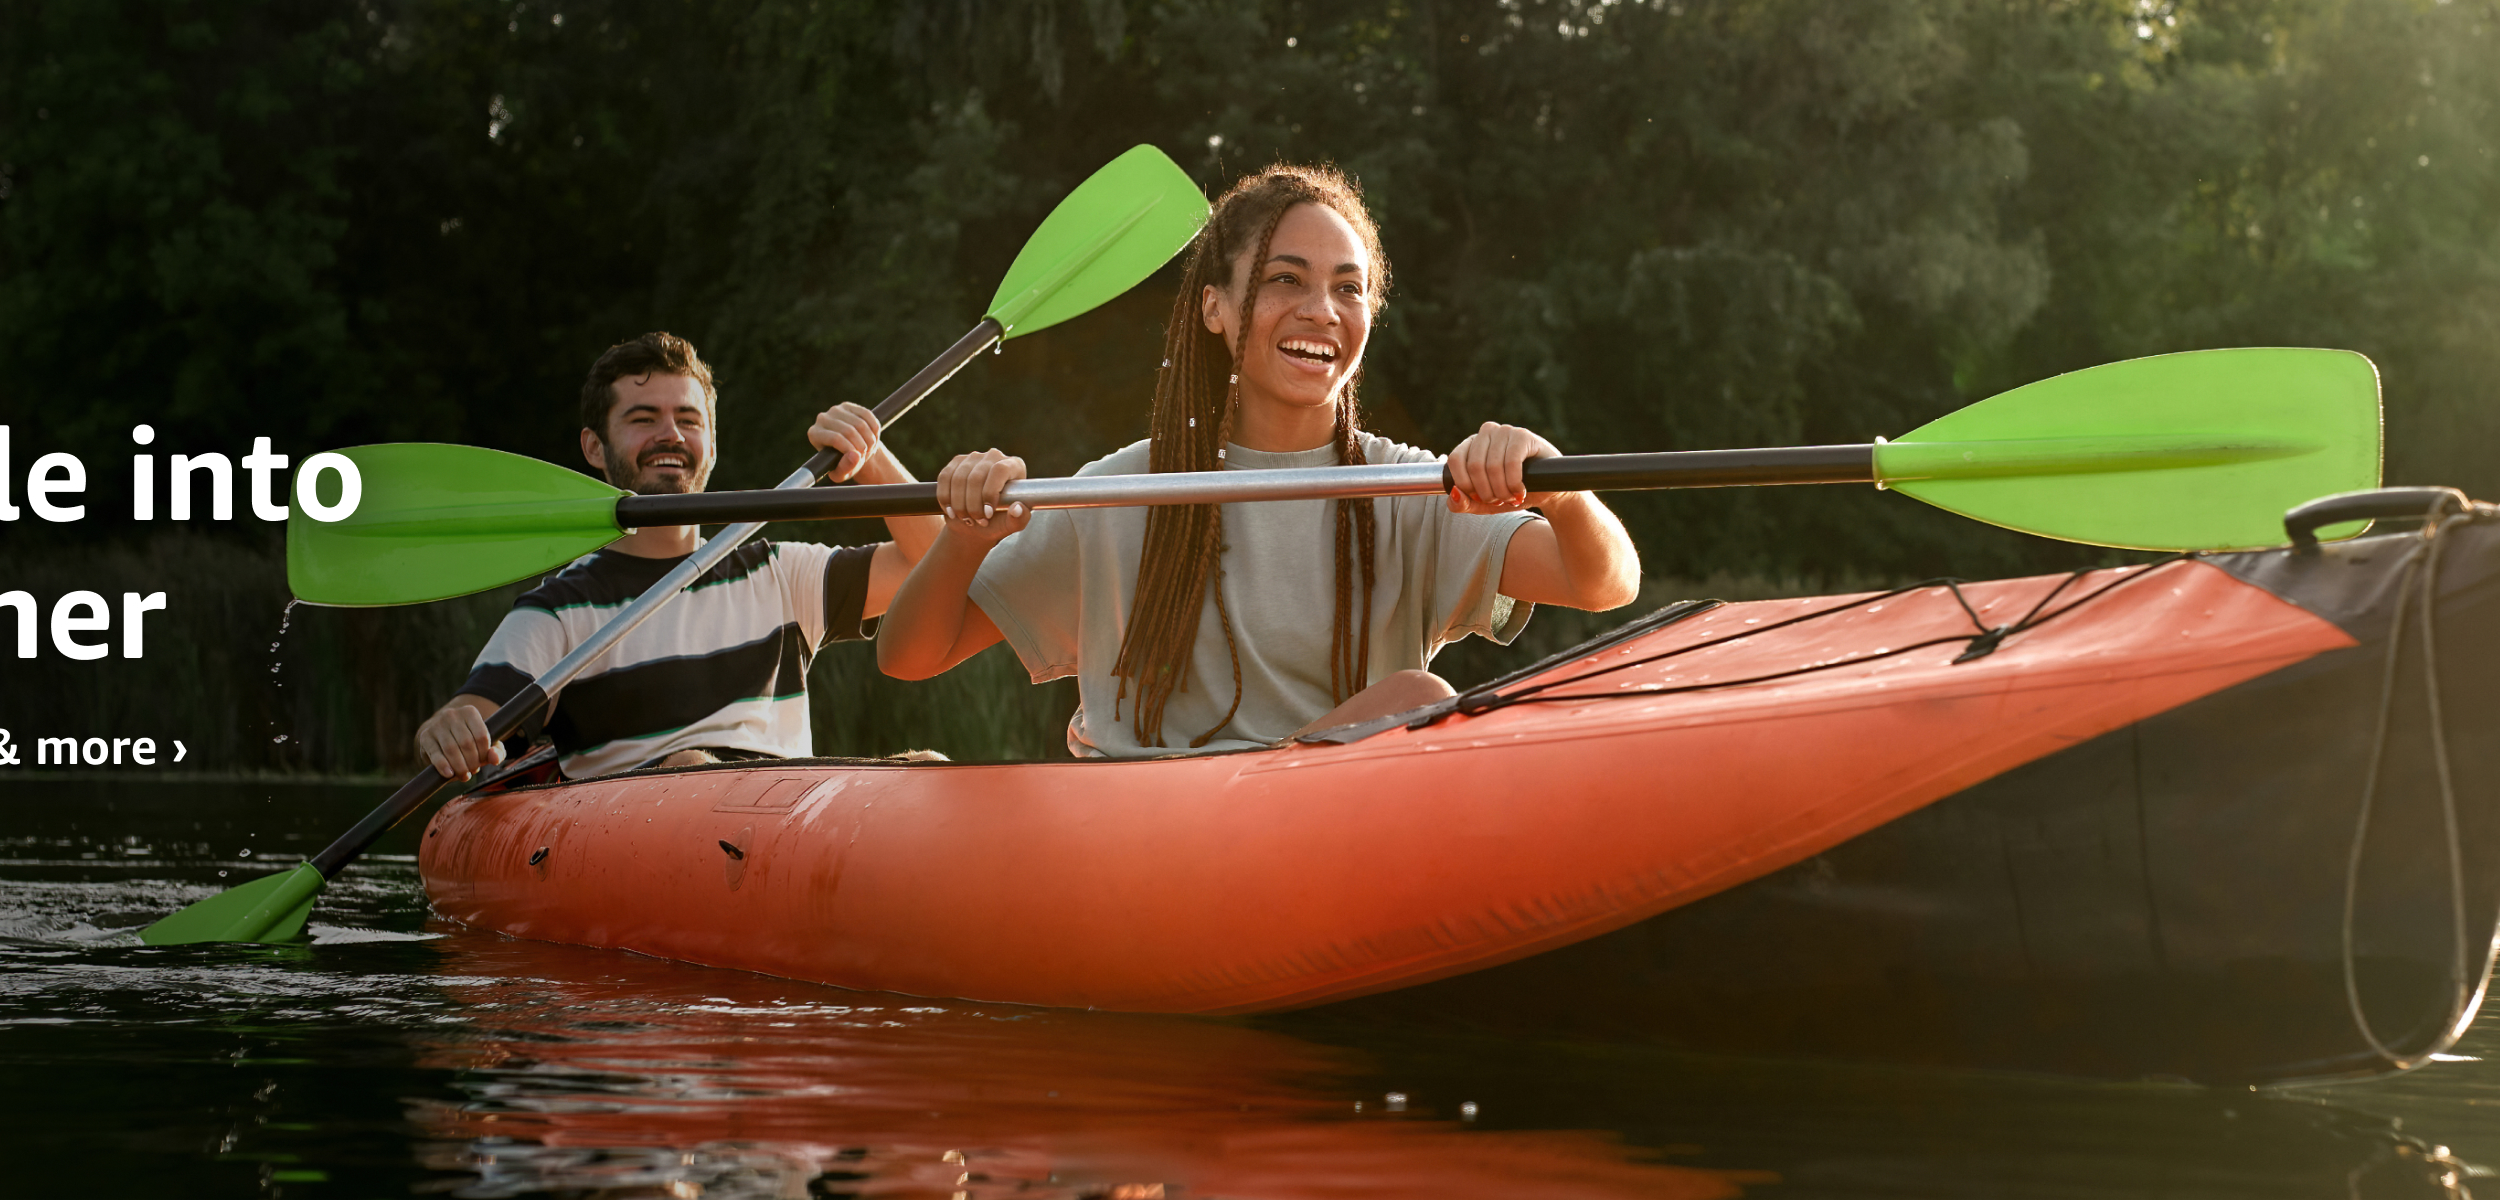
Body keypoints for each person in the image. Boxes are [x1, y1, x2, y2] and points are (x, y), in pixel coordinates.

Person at [877, 164, 1640, 756]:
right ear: (1214, 306)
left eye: (1349, 289)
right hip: (1140, 844)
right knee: (1418, 695)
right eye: (1286, 279)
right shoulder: (1115, 492)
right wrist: (964, 539)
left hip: (1329, 844)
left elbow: (1604, 584)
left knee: (1416, 697)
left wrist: (1558, 490)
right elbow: (910, 655)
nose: (1321, 310)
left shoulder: (1407, 486)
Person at [415, 332, 941, 780]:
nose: (670, 435)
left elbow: (937, 566)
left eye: (688, 420)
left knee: (928, 766)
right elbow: (474, 714)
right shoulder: (558, 610)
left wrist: (871, 460)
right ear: (595, 447)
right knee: (688, 764)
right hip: (641, 827)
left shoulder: (780, 573)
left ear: (711, 443)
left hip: (791, 817)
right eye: (644, 419)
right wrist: (448, 727)